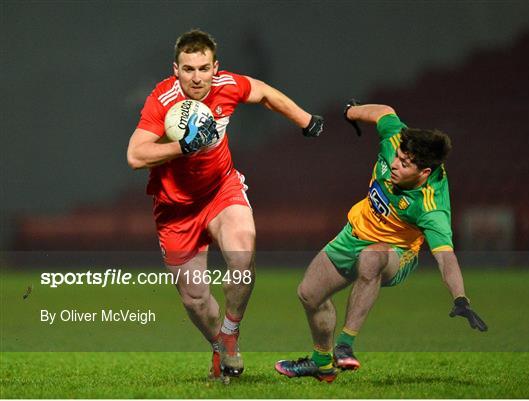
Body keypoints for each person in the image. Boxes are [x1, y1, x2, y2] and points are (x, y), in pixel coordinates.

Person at [126, 29, 323, 380]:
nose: (197, 77)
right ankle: (218, 345)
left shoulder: (227, 85)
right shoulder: (162, 99)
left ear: (215, 67)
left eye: (204, 68)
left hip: (221, 190)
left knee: (242, 250)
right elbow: (135, 155)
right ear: (176, 69)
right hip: (175, 210)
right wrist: (181, 147)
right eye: (189, 69)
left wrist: (304, 119)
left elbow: (262, 92)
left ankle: (230, 333)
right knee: (195, 300)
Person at [275, 101, 487, 383]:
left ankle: (345, 344)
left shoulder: (431, 208)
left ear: (424, 173)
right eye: (397, 156)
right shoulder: (397, 139)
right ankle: (322, 364)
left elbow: (445, 256)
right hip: (354, 233)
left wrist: (460, 298)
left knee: (371, 258)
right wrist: (352, 112)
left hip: (394, 254)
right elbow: (385, 112)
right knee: (309, 294)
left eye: (405, 164)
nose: (395, 164)